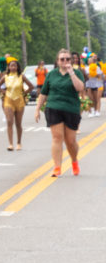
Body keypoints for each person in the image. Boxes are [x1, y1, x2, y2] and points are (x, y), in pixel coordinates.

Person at [36, 48, 86, 176]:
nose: (65, 61)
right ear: (57, 61)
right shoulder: (51, 74)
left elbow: (80, 88)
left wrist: (71, 73)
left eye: (67, 59)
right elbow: (43, 93)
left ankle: (74, 161)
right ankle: (57, 167)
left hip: (71, 109)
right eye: (62, 59)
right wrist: (37, 109)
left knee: (71, 141)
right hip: (54, 107)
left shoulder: (76, 73)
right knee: (57, 138)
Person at [0, 59, 34, 151]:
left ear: (17, 67)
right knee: (9, 121)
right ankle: (10, 144)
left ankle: (19, 143)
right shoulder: (5, 76)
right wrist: (4, 92)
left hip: (19, 101)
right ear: (8, 67)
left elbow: (31, 86)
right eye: (11, 66)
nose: (12, 67)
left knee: (18, 123)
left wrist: (24, 93)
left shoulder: (21, 76)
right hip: (8, 101)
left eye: (14, 66)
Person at [84, 53, 102, 117]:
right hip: (88, 84)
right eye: (89, 61)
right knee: (89, 98)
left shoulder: (97, 67)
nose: (90, 61)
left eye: (91, 60)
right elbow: (86, 76)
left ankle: (96, 110)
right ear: (88, 62)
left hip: (95, 84)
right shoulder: (86, 68)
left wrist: (95, 74)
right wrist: (89, 75)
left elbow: (99, 76)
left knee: (95, 98)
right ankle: (90, 112)